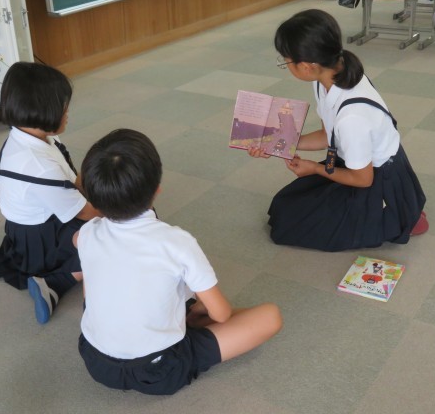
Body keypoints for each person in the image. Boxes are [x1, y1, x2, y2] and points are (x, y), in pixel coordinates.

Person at [75, 128, 282, 395]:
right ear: (157, 189)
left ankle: (179, 319)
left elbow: (83, 252)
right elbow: (221, 314)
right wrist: (204, 310)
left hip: (95, 361)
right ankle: (187, 323)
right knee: (269, 316)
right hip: (159, 370)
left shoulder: (86, 233)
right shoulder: (176, 242)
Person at [249, 9, 427, 252]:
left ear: (307, 66)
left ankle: (401, 213)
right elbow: (327, 136)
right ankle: (403, 209)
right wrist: (277, 142)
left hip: (376, 179)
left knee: (289, 226)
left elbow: (363, 180)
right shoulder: (328, 77)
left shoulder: (352, 117)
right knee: (285, 206)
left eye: (286, 61)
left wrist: (315, 168)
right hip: (353, 163)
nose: (286, 65)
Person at [0, 62, 100, 324]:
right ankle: (56, 281)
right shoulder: (38, 165)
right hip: (41, 242)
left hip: (29, 229)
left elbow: (72, 179)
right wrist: (127, 209)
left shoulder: (32, 135)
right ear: (43, 110)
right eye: (63, 106)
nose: (67, 112)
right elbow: (86, 212)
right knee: (117, 232)